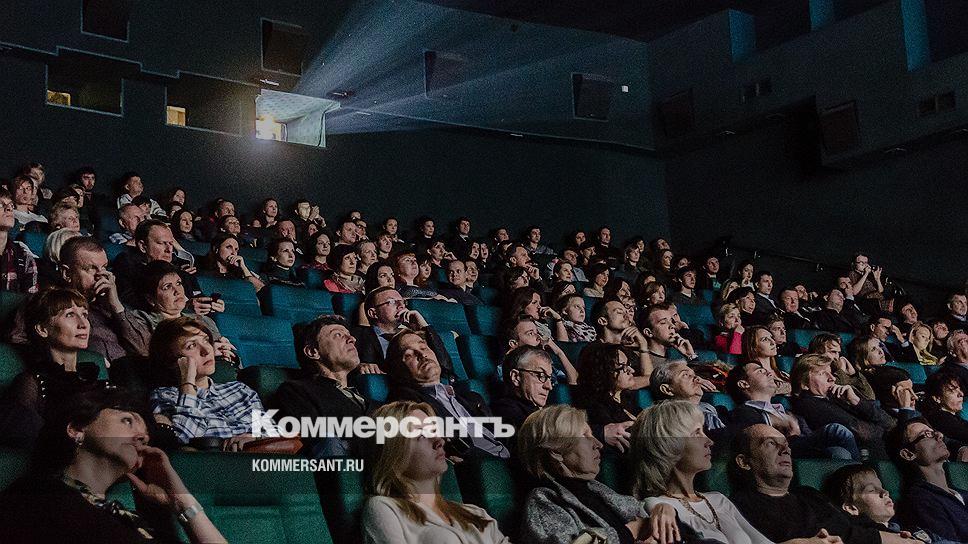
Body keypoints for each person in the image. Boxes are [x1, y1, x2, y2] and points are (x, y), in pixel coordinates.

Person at [0, 388, 227, 542]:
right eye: (127, 420)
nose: (142, 437)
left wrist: (181, 501)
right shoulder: (35, 497)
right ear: (77, 429)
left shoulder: (128, 517)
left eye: (146, 436)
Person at [518, 404, 684, 544]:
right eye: (585, 435)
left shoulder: (595, 488)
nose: (598, 444)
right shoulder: (544, 500)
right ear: (556, 451)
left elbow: (642, 512)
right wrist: (632, 530)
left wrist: (663, 508)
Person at [361, 401, 510, 544]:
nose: (439, 440)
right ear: (393, 453)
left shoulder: (475, 512)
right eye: (421, 435)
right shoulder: (384, 508)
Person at [730, 424, 907, 544]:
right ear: (744, 462)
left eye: (786, 444)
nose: (786, 450)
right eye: (771, 444)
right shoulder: (738, 508)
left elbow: (854, 526)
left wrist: (899, 537)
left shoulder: (808, 494)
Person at [631, 400, 771, 544]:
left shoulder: (719, 499)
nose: (710, 441)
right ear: (668, 446)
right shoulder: (657, 505)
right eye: (697, 433)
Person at [0, 288, 109, 448]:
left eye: (85, 315)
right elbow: (21, 429)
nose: (83, 324)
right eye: (70, 315)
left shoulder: (96, 379)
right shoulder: (34, 382)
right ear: (43, 329)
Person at [148, 316, 275, 449]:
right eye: (191, 346)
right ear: (171, 361)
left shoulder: (240, 390)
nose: (207, 350)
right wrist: (187, 383)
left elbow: (273, 433)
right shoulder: (165, 396)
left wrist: (254, 439)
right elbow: (183, 439)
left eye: (206, 340)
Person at [384, 331, 509, 459]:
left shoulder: (472, 398)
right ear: (399, 370)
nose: (422, 355)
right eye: (409, 355)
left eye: (423, 347)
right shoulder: (408, 404)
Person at [275, 315, 371, 457]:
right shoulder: (296, 391)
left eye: (349, 334)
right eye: (338, 335)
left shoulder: (365, 396)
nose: (352, 339)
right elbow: (321, 437)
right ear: (313, 352)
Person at [725, 362, 860, 460]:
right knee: (835, 430)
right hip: (782, 453)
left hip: (803, 450)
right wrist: (781, 425)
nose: (769, 372)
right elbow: (754, 438)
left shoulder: (786, 411)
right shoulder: (743, 412)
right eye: (760, 371)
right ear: (744, 383)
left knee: (839, 453)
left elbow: (806, 436)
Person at [790, 354, 893, 459]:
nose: (832, 378)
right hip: (868, 458)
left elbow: (889, 422)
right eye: (822, 374)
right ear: (804, 383)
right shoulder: (808, 405)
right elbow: (862, 432)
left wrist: (856, 401)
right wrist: (889, 432)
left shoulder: (839, 396)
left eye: (830, 372)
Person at [127, 261, 234, 360]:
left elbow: (226, 355)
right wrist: (206, 352)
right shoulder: (142, 321)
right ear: (150, 299)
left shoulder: (204, 321)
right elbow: (156, 360)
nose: (177, 291)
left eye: (178, 283)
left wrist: (229, 355)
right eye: (167, 287)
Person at [889, 417, 968, 543]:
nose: (939, 435)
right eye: (926, 434)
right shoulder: (921, 501)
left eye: (934, 431)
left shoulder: (961, 494)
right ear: (908, 454)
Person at [353, 286, 454, 377]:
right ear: (373, 313)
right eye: (392, 302)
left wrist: (424, 325)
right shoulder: (357, 336)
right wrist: (358, 367)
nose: (401, 305)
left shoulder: (413, 335)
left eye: (402, 301)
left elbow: (446, 367)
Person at [822, 464, 933, 542]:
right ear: (851, 508)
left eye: (881, 486)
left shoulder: (914, 530)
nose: (885, 492)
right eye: (871, 490)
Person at [575, 343, 639, 453]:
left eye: (628, 364)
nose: (631, 370)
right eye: (622, 367)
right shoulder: (594, 407)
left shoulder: (626, 398)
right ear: (603, 372)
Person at [649, 362, 728, 445]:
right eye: (686, 375)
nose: (697, 378)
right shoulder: (670, 421)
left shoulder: (716, 410)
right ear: (667, 389)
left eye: (694, 374)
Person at [490, 346, 556, 433]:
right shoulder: (506, 413)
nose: (549, 386)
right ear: (516, 377)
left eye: (550, 378)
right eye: (541, 375)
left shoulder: (536, 410)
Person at [0, 188, 39, 293]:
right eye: (1, 205)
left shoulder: (22, 254)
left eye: (11, 205)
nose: (9, 209)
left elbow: (31, 296)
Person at [197, 234, 265, 293]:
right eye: (229, 247)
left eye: (236, 249)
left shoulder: (239, 272)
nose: (233, 253)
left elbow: (261, 290)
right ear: (216, 249)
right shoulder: (202, 269)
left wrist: (243, 267)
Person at [919, 369, 968, 449]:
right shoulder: (941, 419)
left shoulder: (951, 416)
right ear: (937, 398)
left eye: (959, 389)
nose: (961, 394)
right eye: (952, 391)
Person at [740, 325, 792, 394]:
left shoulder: (783, 374)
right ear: (753, 347)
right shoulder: (753, 377)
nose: (773, 342)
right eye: (765, 339)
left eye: (771, 337)